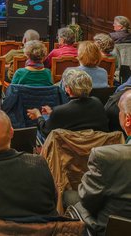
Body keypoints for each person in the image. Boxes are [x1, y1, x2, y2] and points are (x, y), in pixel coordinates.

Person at [65, 89, 131, 235]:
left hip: (108, 229)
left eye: (119, 110)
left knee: (69, 196)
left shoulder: (105, 157)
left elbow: (88, 200)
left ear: (128, 119)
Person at [27, 69, 109, 140]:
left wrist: (38, 115)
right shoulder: (97, 103)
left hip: (67, 152)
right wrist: (53, 113)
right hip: (93, 147)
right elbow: (77, 118)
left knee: (38, 131)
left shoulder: (60, 111)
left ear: (68, 89)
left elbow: (45, 132)